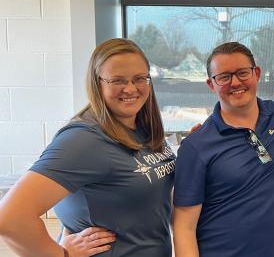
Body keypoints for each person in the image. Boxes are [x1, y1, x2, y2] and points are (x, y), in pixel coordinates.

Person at [0, 38, 175, 256]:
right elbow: (10, 218)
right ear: (97, 83)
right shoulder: (84, 139)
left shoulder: (143, 128)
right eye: (117, 80)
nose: (130, 88)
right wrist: (63, 254)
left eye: (139, 78)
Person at [173, 42, 274, 257]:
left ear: (257, 73)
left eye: (242, 73)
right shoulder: (196, 146)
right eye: (224, 77)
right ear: (211, 84)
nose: (235, 82)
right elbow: (183, 228)